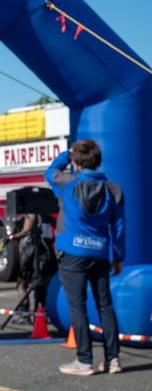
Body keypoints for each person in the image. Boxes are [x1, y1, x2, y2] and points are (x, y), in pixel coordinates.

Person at [45, 139, 124, 376]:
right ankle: (113, 360)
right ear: (97, 160)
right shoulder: (114, 189)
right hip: (100, 253)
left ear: (77, 162)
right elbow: (119, 227)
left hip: (72, 253)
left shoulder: (67, 184)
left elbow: (50, 172)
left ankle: (84, 360)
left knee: (77, 307)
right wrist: (117, 256)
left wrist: (66, 155)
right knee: (105, 305)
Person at [7, 213, 56, 324]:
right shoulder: (47, 215)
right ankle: (43, 314)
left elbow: (27, 229)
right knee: (43, 285)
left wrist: (12, 237)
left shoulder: (31, 212)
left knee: (22, 284)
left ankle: (25, 315)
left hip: (30, 252)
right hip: (46, 252)